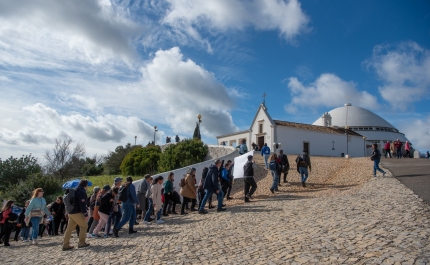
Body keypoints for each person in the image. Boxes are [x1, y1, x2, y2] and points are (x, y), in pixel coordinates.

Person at [62, 179, 90, 251]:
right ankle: (81, 243)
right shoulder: (82, 192)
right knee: (84, 226)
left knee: (69, 229)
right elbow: (82, 204)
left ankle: (65, 244)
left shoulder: (75, 190)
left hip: (70, 212)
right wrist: (85, 214)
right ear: (85, 185)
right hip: (76, 212)